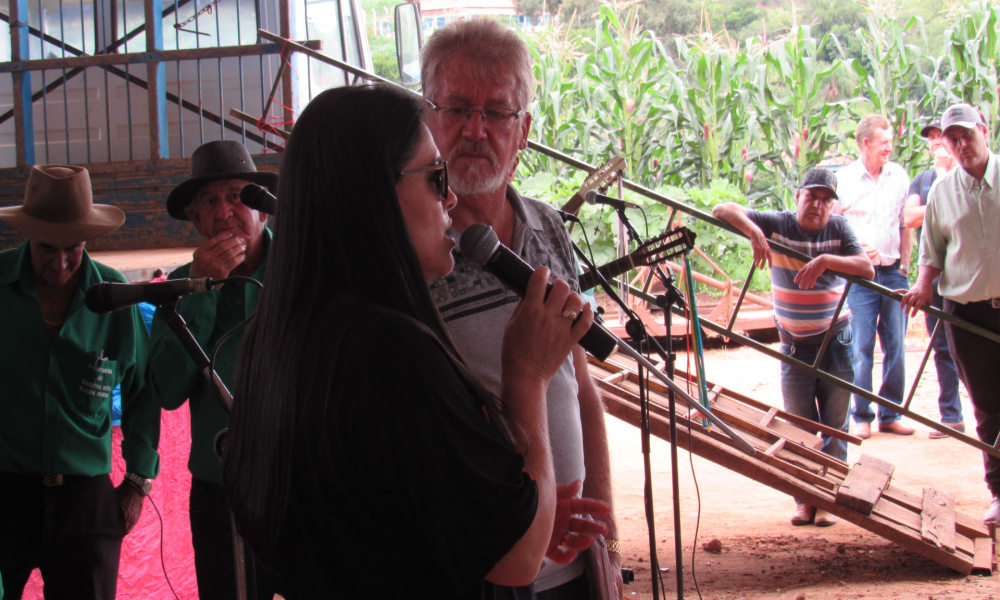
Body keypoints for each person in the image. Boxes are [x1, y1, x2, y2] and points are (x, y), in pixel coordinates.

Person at [223, 84, 604, 599]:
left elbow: (391, 519)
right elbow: (516, 558)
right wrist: (528, 372)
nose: (450, 198)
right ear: (373, 193)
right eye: (435, 177)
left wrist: (512, 507)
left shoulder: (286, 334)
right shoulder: (388, 350)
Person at [420, 18, 622, 599]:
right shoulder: (414, 250)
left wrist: (603, 522)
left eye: (497, 113)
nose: (475, 130)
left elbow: (580, 383)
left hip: (576, 567)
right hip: (488, 566)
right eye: (456, 108)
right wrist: (518, 515)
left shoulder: (550, 226)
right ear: (428, 120)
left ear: (524, 129)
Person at [0, 165, 160, 600]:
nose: (61, 263)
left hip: (84, 500)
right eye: (46, 249)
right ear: (27, 237)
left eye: (73, 248)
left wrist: (137, 482)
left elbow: (143, 387)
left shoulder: (113, 292)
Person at [144, 140, 277, 600]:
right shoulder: (179, 288)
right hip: (218, 489)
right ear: (196, 221)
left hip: (300, 481)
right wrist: (203, 293)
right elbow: (166, 389)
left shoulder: (303, 270)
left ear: (263, 209)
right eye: (210, 202)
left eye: (238, 196)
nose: (224, 212)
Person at [713, 169, 873, 528]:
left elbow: (867, 269)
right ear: (797, 195)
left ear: (833, 205)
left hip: (837, 338)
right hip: (794, 343)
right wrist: (754, 231)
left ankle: (829, 498)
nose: (817, 204)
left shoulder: (840, 229)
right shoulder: (779, 223)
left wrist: (828, 261)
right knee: (799, 424)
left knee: (835, 422)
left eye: (825, 199)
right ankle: (805, 500)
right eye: (811, 196)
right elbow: (722, 209)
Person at [900, 103, 1000, 525]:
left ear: (984, 130)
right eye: (951, 139)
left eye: (966, 136)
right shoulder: (942, 190)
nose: (960, 145)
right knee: (987, 407)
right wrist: (924, 285)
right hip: (967, 313)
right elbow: (933, 250)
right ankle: (998, 491)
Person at [834, 114, 915, 439]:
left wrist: (906, 265)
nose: (889, 148)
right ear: (866, 144)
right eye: (884, 143)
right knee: (862, 345)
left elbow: (905, 223)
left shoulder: (898, 176)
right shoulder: (845, 180)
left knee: (895, 344)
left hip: (894, 273)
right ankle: (862, 415)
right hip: (860, 278)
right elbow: (831, 223)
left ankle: (890, 414)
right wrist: (846, 255)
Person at [901, 117, 965, 438]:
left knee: (968, 345)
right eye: (932, 138)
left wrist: (943, 180)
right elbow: (910, 217)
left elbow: (957, 210)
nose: (936, 142)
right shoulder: (922, 178)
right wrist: (939, 194)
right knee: (941, 347)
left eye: (943, 137)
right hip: (932, 276)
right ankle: (951, 416)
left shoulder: (966, 175)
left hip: (964, 277)